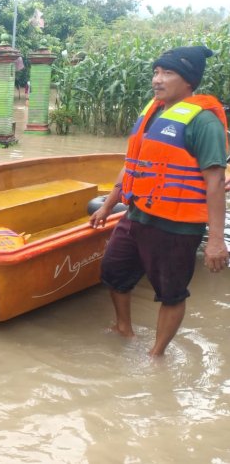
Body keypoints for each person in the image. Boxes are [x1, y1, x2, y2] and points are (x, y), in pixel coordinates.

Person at [90, 45, 229, 357]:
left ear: (189, 81)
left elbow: (215, 181)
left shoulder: (203, 123)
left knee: (170, 292)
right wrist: (111, 202)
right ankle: (123, 328)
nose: (157, 79)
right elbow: (133, 161)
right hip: (138, 214)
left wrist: (216, 241)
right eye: (155, 72)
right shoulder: (153, 111)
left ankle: (156, 356)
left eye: (168, 73)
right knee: (114, 272)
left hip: (177, 228)